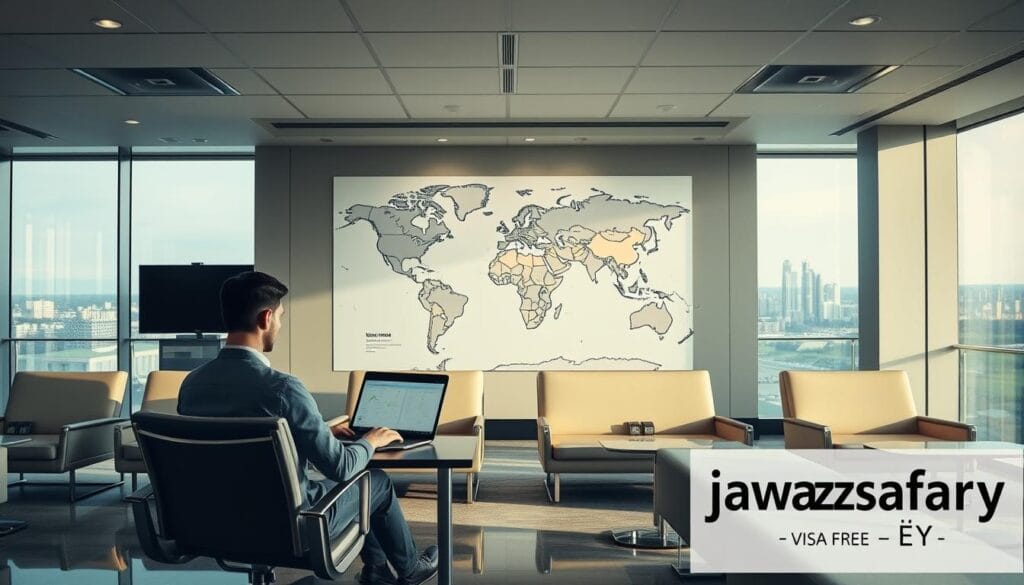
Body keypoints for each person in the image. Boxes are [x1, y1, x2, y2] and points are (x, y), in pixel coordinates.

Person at [177, 271, 437, 585]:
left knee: (358, 483)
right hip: (289, 525)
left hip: (212, 523)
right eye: (281, 318)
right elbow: (340, 467)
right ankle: (409, 572)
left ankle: (377, 569)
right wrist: (370, 441)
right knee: (375, 481)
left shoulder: (192, 385)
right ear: (266, 317)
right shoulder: (283, 388)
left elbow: (230, 446)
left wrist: (320, 431)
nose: (280, 326)